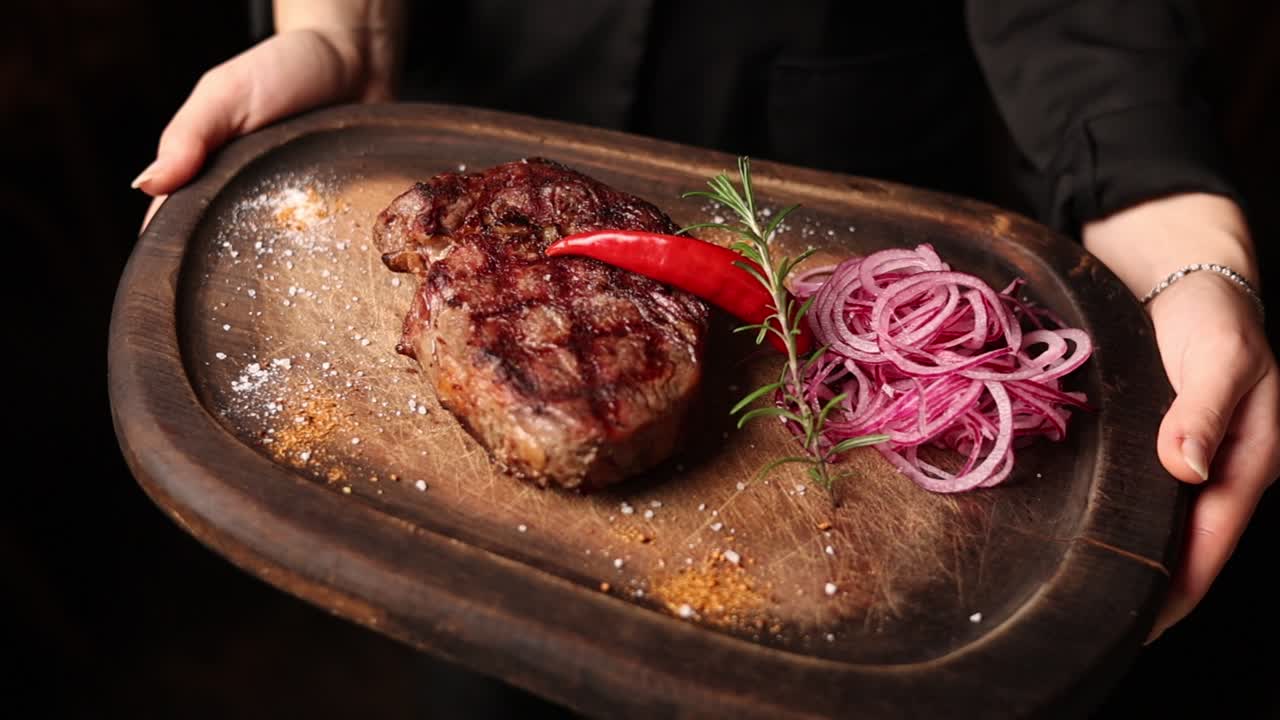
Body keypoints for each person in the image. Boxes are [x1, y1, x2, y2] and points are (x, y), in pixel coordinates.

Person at [132, 0, 1277, 649]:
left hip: (834, 146)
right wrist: (339, 28)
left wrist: (1180, 247)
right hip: (477, 88)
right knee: (482, 657)